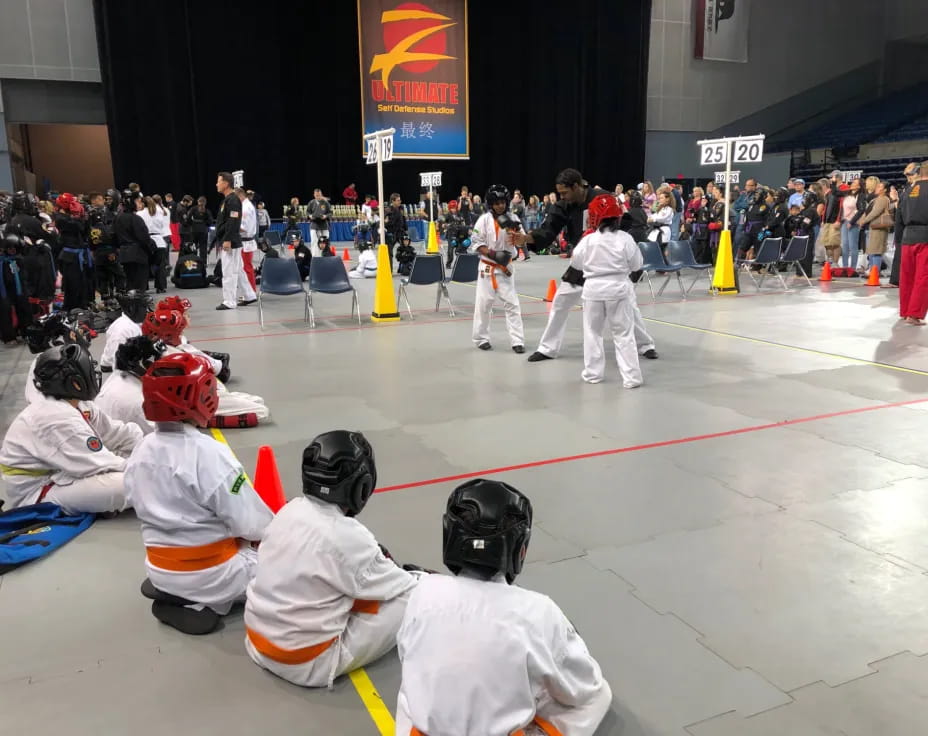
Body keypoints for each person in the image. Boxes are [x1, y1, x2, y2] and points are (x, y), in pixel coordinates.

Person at [395, 479, 612, 736]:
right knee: (597, 694)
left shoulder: (423, 591)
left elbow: (407, 653)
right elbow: (583, 687)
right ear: (519, 548)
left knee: (412, 689)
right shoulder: (539, 612)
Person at [244, 430, 422, 687]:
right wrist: (423, 578)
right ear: (362, 485)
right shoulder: (349, 537)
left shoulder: (288, 510)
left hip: (257, 642)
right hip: (307, 664)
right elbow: (402, 586)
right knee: (412, 599)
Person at [126, 351, 273, 635]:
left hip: (159, 569)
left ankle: (185, 594)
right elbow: (254, 525)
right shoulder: (210, 455)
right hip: (213, 575)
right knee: (290, 564)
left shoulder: (140, 451)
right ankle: (205, 603)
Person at [517, 171, 657, 363]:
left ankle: (645, 345)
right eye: (560, 193)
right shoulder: (564, 205)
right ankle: (547, 348)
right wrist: (527, 238)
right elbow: (549, 229)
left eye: (565, 192)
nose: (562, 197)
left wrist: (605, 238)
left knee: (629, 306)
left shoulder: (604, 198)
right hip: (585, 260)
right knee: (560, 302)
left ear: (576, 186)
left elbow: (625, 221)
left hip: (610, 264)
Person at [0, 343, 142, 513]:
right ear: (74, 382)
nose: (93, 376)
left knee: (136, 453)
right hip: (39, 492)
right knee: (128, 484)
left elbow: (116, 433)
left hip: (63, 470)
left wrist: (149, 445)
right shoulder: (55, 417)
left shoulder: (80, 404)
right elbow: (102, 464)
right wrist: (154, 470)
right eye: (88, 371)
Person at [142, 308, 269, 427]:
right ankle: (201, 420)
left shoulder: (153, 349)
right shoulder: (177, 351)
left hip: (193, 396)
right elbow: (217, 367)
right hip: (199, 399)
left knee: (258, 400)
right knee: (261, 411)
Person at [570, 195, 644, 387]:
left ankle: (593, 374)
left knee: (593, 333)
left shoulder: (589, 240)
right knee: (623, 334)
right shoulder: (625, 239)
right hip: (619, 289)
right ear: (618, 217)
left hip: (593, 290)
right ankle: (632, 378)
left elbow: (575, 262)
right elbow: (637, 265)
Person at [469, 185, 524, 353]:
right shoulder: (484, 220)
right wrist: (493, 254)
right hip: (487, 267)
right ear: (491, 204)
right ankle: (481, 338)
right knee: (484, 305)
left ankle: (517, 341)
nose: (500, 206)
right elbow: (476, 242)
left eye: (503, 202)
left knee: (512, 304)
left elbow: (522, 242)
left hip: (505, 268)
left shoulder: (513, 218)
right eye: (497, 203)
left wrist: (516, 234)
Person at [95, 336, 165, 435]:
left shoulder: (116, 377)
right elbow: (160, 436)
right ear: (142, 365)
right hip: (120, 447)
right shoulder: (139, 401)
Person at [214, 172, 257, 310]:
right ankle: (249, 295)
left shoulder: (232, 200)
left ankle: (229, 301)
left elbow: (233, 221)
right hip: (232, 240)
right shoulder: (228, 199)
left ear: (226, 183)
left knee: (229, 271)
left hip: (231, 241)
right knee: (238, 269)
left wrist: (227, 240)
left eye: (218, 181)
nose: (216, 184)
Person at [897, 160, 928, 325]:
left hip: (907, 236)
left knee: (907, 276)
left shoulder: (907, 190)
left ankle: (905, 311)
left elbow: (899, 217)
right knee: (923, 277)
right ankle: (914, 314)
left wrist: (898, 239)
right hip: (925, 236)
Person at [53, 193, 92, 310]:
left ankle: (82, 305)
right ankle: (70, 309)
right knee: (72, 285)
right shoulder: (60, 218)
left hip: (79, 255)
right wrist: (77, 216)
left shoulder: (70, 217)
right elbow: (77, 227)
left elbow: (85, 232)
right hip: (69, 256)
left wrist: (85, 217)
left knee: (82, 283)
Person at [100, 290, 152, 372]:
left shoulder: (132, 322)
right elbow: (118, 363)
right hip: (115, 369)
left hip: (127, 362)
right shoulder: (123, 329)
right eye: (144, 307)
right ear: (132, 309)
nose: (147, 311)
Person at [116, 190, 155, 292]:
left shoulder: (118, 218)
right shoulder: (135, 219)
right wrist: (151, 249)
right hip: (138, 254)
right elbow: (144, 238)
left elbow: (113, 236)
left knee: (130, 283)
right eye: (138, 201)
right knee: (139, 284)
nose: (140, 203)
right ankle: (138, 307)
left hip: (124, 254)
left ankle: (131, 306)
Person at [236, 187, 259, 293]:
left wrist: (230, 228)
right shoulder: (246, 205)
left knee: (246, 268)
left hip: (246, 242)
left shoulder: (245, 207)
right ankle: (249, 291)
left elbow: (243, 227)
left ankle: (251, 292)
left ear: (240, 195)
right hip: (244, 241)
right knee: (245, 267)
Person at [385, 193, 407, 271]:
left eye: (400, 200)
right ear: (393, 201)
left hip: (400, 232)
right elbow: (388, 222)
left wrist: (405, 230)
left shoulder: (400, 208)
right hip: (392, 234)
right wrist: (387, 221)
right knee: (389, 252)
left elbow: (403, 219)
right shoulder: (388, 210)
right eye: (398, 200)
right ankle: (389, 270)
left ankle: (404, 268)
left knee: (406, 249)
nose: (399, 201)